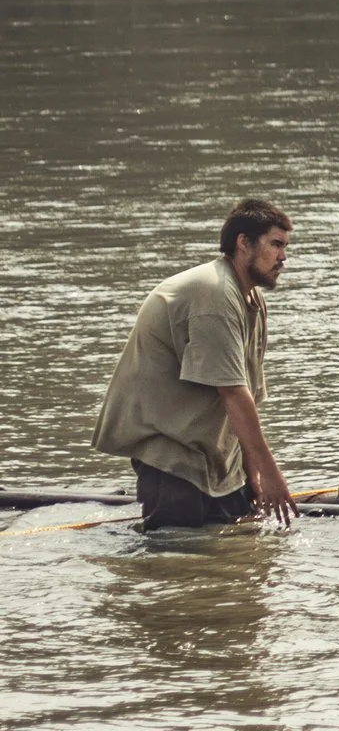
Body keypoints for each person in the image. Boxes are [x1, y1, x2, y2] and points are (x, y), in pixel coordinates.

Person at [92, 198, 298, 530]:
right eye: (276, 245)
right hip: (173, 459)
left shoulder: (251, 299)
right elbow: (232, 391)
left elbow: (245, 394)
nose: (284, 257)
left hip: (216, 460)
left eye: (285, 246)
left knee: (231, 564)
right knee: (175, 562)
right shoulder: (213, 294)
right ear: (243, 242)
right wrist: (273, 475)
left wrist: (252, 473)